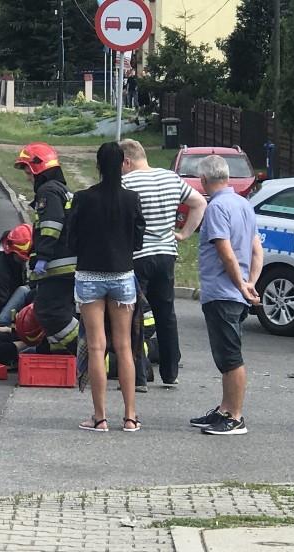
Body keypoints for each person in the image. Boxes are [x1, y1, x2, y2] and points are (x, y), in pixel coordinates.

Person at [67, 142, 146, 433]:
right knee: (125, 347)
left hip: (88, 276)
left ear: (98, 166)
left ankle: (99, 419)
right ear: (123, 164)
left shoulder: (83, 198)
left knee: (97, 346)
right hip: (123, 276)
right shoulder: (131, 199)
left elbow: (70, 238)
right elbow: (138, 239)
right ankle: (130, 416)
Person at [120, 138, 207, 388]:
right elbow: (199, 203)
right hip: (166, 255)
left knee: (135, 315)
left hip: (138, 256)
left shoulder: (127, 182)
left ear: (127, 161)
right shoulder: (171, 178)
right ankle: (170, 372)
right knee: (166, 313)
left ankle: (138, 376)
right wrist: (184, 233)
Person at [187, 155, 262, 435]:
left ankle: (236, 416)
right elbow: (257, 250)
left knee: (231, 357)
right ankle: (224, 409)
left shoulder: (216, 207)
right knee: (224, 356)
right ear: (227, 177)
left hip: (223, 291)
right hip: (236, 291)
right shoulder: (244, 204)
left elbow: (225, 251)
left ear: (204, 180)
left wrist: (241, 285)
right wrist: (251, 282)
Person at [14, 143, 79, 355]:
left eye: (27, 170)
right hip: (68, 266)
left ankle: (91, 354)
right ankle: (66, 353)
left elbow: (52, 224)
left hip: (58, 267)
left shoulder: (48, 190)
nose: (27, 177)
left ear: (37, 167)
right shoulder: (62, 190)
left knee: (48, 312)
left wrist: (42, 257)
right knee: (62, 312)